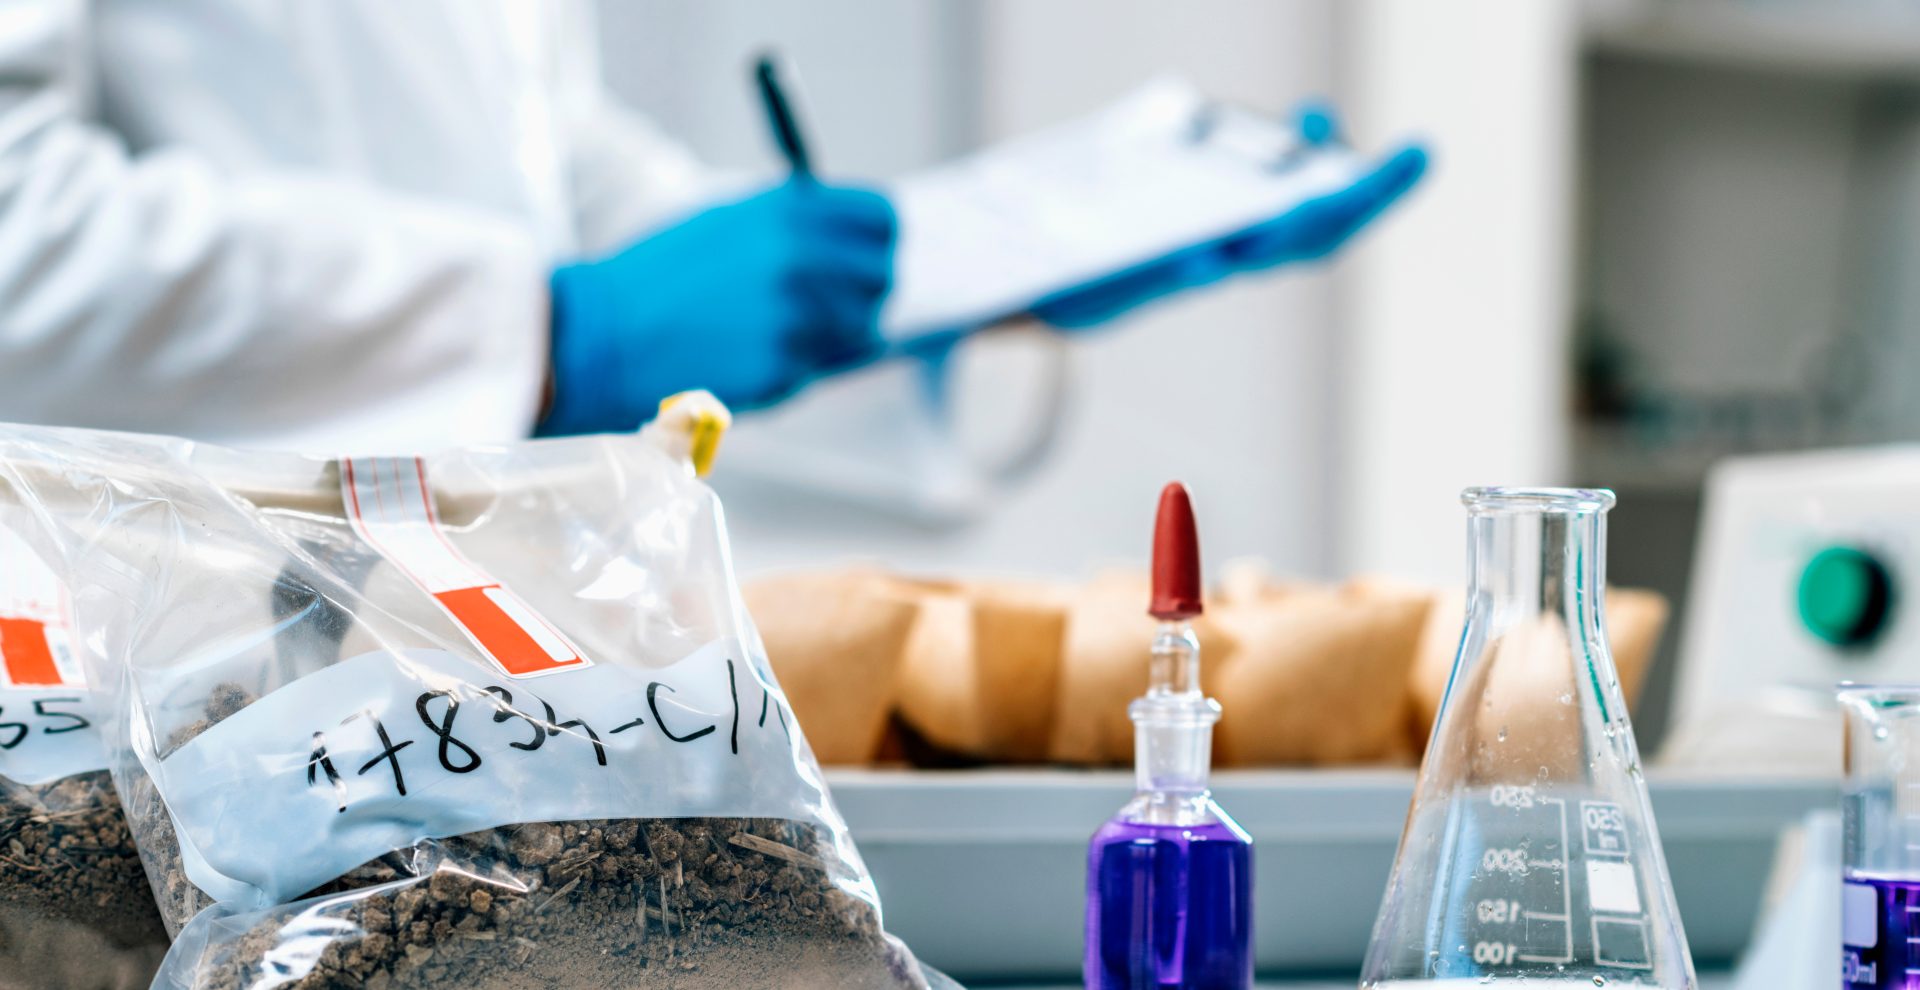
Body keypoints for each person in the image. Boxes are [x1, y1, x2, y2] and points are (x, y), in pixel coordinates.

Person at [0, 1, 1424, 454]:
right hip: (112, 719)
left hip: (442, 695)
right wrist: (548, 333)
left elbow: (561, 184)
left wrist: (977, 264)